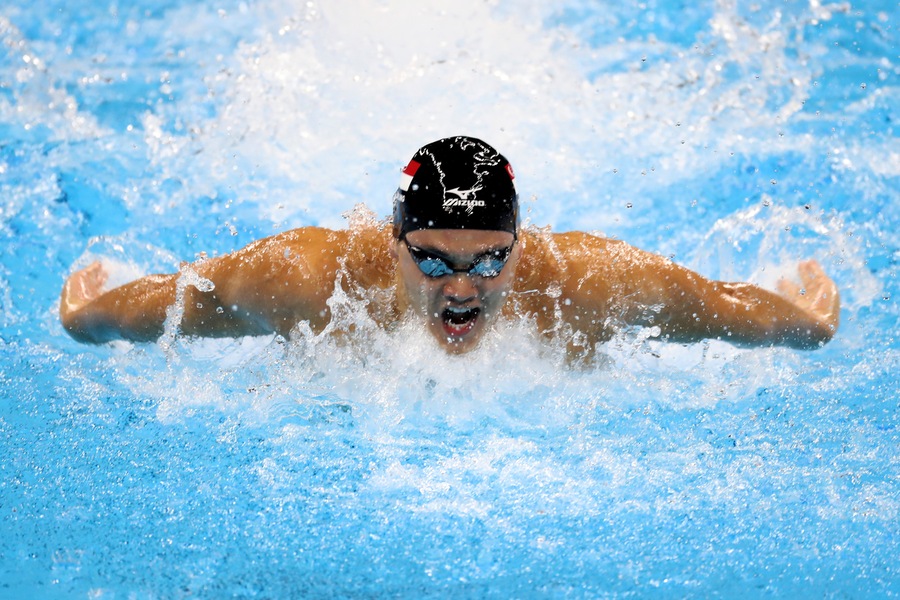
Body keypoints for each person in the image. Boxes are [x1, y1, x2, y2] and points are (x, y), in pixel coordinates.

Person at [60, 136, 839, 355]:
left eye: (490, 261)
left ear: (521, 247)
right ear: (391, 242)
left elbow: (727, 308)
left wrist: (810, 323)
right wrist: (86, 314)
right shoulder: (308, 280)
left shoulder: (590, 283)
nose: (462, 289)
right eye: (433, 260)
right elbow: (170, 302)